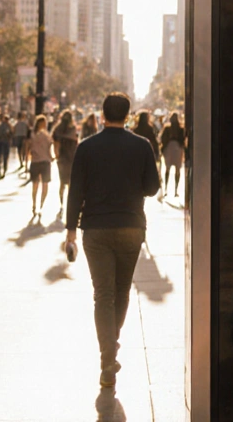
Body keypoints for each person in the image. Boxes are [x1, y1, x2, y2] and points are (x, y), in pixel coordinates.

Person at [65, 92, 161, 388]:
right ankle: (111, 345)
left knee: (102, 294)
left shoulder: (86, 147)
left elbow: (75, 190)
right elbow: (153, 187)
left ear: (102, 115)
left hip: (95, 229)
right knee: (121, 291)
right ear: (128, 116)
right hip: (131, 226)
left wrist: (70, 231)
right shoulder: (142, 146)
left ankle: (107, 354)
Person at [27, 115, 54, 220]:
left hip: (43, 161)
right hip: (38, 162)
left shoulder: (45, 135)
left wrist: (51, 157)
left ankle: (40, 205)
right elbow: (28, 148)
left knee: (44, 185)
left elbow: (49, 149)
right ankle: (35, 204)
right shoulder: (35, 134)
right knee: (36, 185)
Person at [52, 110, 80, 210]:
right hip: (72, 157)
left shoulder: (57, 129)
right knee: (70, 182)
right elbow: (77, 143)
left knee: (62, 182)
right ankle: (70, 202)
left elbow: (56, 145)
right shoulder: (73, 129)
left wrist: (57, 155)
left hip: (62, 158)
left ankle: (61, 201)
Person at [160, 113, 185, 199]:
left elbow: (163, 139)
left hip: (169, 148)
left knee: (167, 169)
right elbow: (183, 140)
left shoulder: (167, 129)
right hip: (178, 149)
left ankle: (166, 188)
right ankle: (176, 190)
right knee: (177, 170)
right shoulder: (181, 129)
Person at [0, 113, 12, 178]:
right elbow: (11, 133)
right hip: (5, 143)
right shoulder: (8, 126)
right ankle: (3, 170)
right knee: (5, 158)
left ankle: (0, 171)